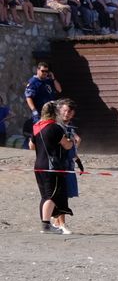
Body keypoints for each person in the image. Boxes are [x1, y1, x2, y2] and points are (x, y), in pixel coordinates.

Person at [35, 100, 78, 234]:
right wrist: (71, 141)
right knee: (52, 195)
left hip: (38, 164)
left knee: (45, 195)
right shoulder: (55, 127)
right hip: (52, 165)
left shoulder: (37, 126)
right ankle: (46, 225)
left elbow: (31, 145)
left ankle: (47, 224)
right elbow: (67, 145)